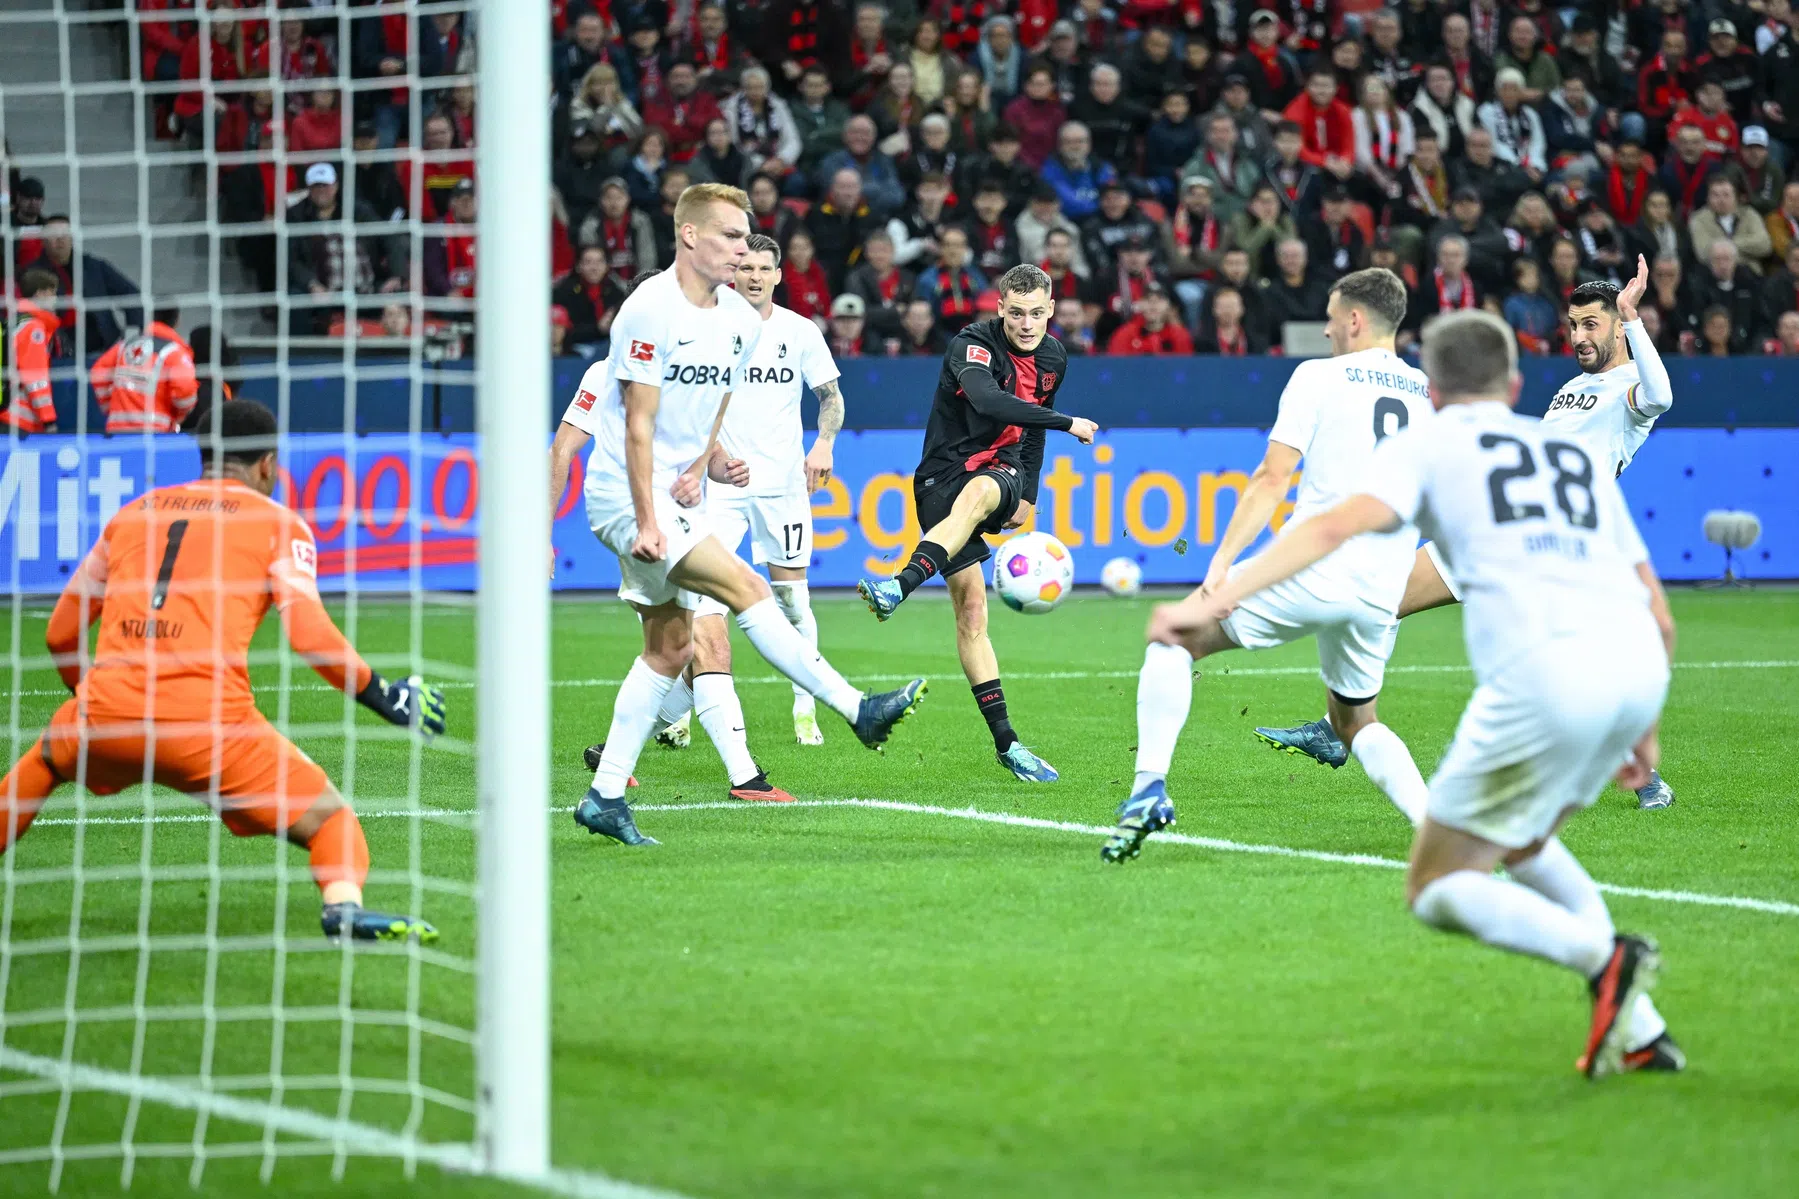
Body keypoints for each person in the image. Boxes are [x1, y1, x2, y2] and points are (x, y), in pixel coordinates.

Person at [1175, 308, 1684, 1077]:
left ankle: (1603, 955)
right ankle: (1642, 1030)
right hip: (1630, 670)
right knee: (1523, 842)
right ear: (1514, 385)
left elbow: (1326, 532)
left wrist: (1215, 596)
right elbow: (1654, 605)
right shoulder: (1565, 452)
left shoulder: (1431, 442)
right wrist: (1639, 725)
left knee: (1437, 885)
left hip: (1544, 682)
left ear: (1433, 392)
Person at [546, 184, 926, 846]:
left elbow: (712, 400)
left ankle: (605, 795)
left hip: (680, 490)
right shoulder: (648, 310)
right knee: (749, 588)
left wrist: (708, 459)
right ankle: (855, 708)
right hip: (626, 496)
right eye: (729, 236)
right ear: (689, 236)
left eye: (749, 239)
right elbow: (636, 426)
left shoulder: (741, 323)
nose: (742, 249)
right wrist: (645, 517)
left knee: (668, 648)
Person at [0, 399, 446, 943]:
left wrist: (93, 700)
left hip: (105, 714)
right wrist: (386, 697)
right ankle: (343, 909)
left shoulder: (133, 513)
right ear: (266, 465)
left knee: (41, 765)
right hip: (211, 728)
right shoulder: (280, 524)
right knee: (333, 821)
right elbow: (309, 636)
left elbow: (59, 633)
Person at [1256, 260, 1679, 813]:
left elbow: (1663, 397)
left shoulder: (1632, 392)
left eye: (1592, 325)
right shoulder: (1575, 388)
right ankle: (1342, 727)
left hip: (1547, 545)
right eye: (1573, 325)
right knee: (1382, 597)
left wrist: (1634, 318)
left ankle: (1641, 776)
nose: (1578, 336)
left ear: (1618, 328)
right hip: (1492, 526)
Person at [1100, 269, 1437, 864]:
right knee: (1357, 720)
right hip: (1383, 583)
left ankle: (1147, 788)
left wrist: (1223, 564)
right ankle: (1439, 830)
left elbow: (1272, 478)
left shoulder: (1317, 375)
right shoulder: (1421, 391)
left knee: (1174, 641)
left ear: (1356, 320)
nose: (1327, 331)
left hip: (1314, 566)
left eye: (1333, 318)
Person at [595, 232, 849, 791]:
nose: (755, 276)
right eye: (747, 267)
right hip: (721, 490)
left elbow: (831, 396)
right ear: (735, 273)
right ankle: (691, 726)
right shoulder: (713, 329)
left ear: (780, 275)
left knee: (790, 599)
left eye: (765, 268)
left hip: (783, 485)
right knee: (705, 608)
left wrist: (824, 443)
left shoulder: (798, 332)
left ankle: (803, 709)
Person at [854, 265, 1098, 783]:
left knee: (983, 490)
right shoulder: (971, 345)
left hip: (999, 467)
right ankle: (1007, 744)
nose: (1027, 324)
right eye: (1016, 313)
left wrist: (1028, 495)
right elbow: (989, 400)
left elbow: (1030, 429)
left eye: (1037, 313)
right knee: (971, 611)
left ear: (1051, 309)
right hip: (939, 476)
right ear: (1000, 309)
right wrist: (1068, 422)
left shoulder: (1054, 357)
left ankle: (899, 586)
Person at [89, 305, 199, 434]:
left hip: (117, 432)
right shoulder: (174, 353)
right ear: (177, 321)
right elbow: (185, 391)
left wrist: (109, 407)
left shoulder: (124, 346)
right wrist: (178, 416)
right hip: (155, 433)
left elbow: (98, 373)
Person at [2, 268, 62, 433]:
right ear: (41, 294)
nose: (56, 300)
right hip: (16, 419)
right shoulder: (34, 328)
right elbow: (35, 376)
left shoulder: (14, 324)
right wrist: (48, 419)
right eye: (53, 293)